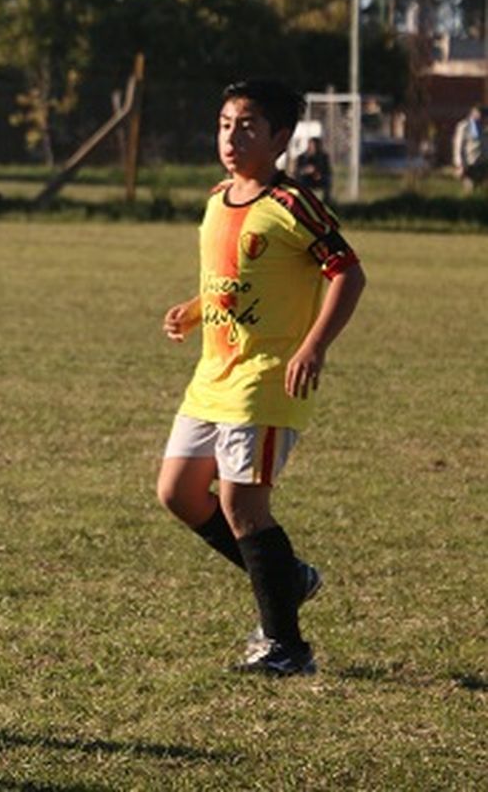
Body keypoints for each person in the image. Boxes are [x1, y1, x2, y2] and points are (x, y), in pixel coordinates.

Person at [156, 80, 367, 677]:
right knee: (177, 493)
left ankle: (287, 646)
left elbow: (349, 275)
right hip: (213, 376)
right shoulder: (219, 197)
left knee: (243, 503)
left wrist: (314, 347)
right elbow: (230, 275)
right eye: (225, 123)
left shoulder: (293, 204)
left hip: (267, 379)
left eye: (248, 125)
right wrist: (194, 309)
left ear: (280, 137)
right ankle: (289, 576)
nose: (231, 135)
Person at [452, 104, 485, 192]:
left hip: (481, 163)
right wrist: (459, 164)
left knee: (481, 191)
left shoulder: (482, 127)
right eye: (479, 113)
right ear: (473, 113)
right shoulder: (464, 126)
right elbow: (458, 147)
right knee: (470, 189)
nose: (481, 116)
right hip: (469, 163)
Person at [293, 136, 332, 202]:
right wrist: (305, 171)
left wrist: (316, 172)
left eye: (312, 145)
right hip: (305, 185)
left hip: (318, 185)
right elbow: (297, 171)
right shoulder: (302, 157)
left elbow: (326, 171)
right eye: (309, 145)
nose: (310, 147)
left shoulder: (322, 158)